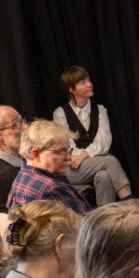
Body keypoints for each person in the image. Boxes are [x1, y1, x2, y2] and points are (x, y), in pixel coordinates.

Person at [51, 66, 132, 204]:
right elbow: (67, 147)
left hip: (96, 164)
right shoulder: (60, 113)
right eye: (82, 83)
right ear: (71, 89)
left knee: (104, 175)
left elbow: (105, 142)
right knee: (111, 161)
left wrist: (85, 155)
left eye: (88, 80)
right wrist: (80, 157)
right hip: (71, 167)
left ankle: (105, 219)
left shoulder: (100, 110)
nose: (89, 84)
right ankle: (131, 204)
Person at [7, 120, 92, 214]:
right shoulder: (52, 188)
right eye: (61, 151)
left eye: (68, 150)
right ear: (36, 154)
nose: (69, 158)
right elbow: (87, 226)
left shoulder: (22, 175)